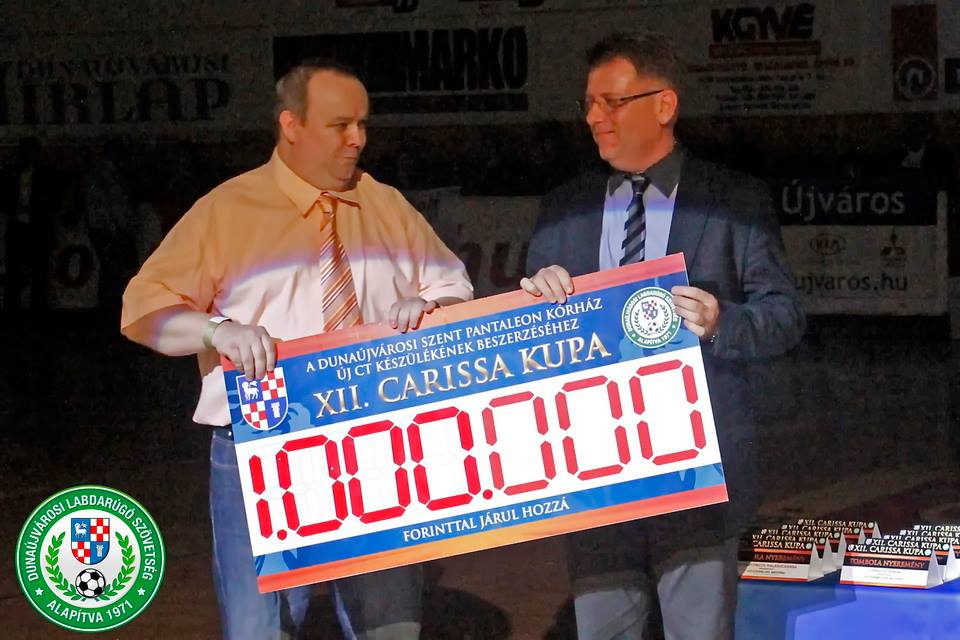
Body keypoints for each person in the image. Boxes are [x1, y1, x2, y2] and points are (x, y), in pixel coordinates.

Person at [121, 60, 473, 640]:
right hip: (260, 444)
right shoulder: (227, 212)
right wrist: (216, 331)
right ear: (291, 125)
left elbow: (453, 285)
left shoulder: (386, 205)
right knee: (259, 629)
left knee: (390, 626)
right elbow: (142, 309)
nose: (357, 139)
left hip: (376, 444)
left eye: (362, 123)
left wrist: (433, 305)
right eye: (339, 125)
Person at [521, 32, 804, 639]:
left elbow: (783, 315)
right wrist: (532, 305)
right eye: (588, 104)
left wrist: (723, 323)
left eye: (612, 102)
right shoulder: (562, 209)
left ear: (664, 105)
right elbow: (531, 345)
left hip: (698, 470)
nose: (594, 117)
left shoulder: (734, 201)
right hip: (593, 466)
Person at [1, 136, 58, 310]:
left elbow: (51, 203)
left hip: (37, 230)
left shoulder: (45, 175)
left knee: (38, 273)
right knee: (14, 272)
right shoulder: (11, 173)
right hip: (18, 229)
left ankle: (36, 310)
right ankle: (13, 309)